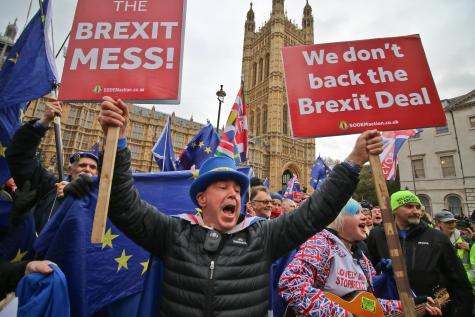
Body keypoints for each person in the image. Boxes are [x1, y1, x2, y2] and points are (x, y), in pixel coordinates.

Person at [97, 96, 384, 316]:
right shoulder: (175, 233)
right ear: (201, 199)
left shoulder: (261, 237)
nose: (233, 194)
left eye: (238, 188)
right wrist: (118, 142)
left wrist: (353, 161)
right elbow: (123, 206)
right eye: (222, 187)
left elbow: (314, 213)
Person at [278, 198, 441, 317]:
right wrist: (343, 315)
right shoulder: (321, 243)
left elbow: (368, 305)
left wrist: (411, 305)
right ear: (339, 219)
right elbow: (291, 283)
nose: (364, 216)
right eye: (356, 213)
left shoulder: (361, 258)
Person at [367, 191, 473, 317]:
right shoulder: (377, 235)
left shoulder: (437, 238)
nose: (416, 211)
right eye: (409, 206)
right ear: (394, 210)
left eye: (417, 207)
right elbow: (370, 272)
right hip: (392, 310)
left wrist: (460, 312)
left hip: (432, 311)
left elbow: (460, 282)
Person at [6, 102, 98, 231]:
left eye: (93, 167)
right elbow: (19, 156)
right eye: (82, 165)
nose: (87, 169)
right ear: (70, 170)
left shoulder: (102, 202)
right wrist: (42, 123)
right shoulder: (49, 186)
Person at [434, 210, 475, 296]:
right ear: (438, 223)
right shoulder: (432, 240)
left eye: (453, 221)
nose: (452, 224)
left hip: (467, 286)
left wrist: (470, 247)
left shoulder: (465, 239)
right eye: (448, 222)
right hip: (444, 290)